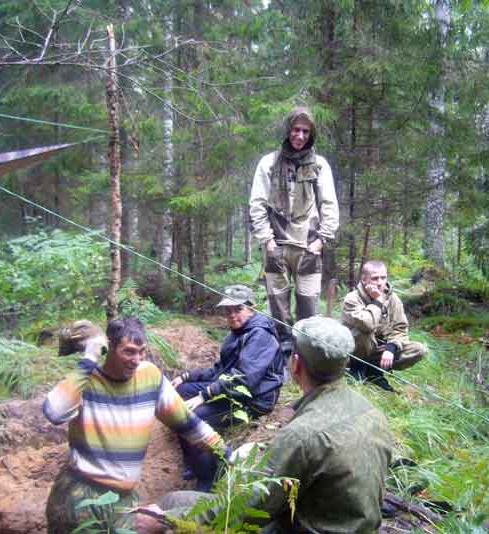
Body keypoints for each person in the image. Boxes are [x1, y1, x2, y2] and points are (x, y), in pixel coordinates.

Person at [146, 316, 393, 533]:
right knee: (177, 500)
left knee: (169, 504)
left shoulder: (301, 435)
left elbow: (245, 512)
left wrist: (167, 521)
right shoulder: (373, 412)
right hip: (351, 523)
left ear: (296, 364)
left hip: (303, 527)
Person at [43, 316, 226, 534]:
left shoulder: (149, 376)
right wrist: (89, 358)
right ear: (109, 348)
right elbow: (55, 412)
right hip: (80, 496)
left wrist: (225, 452)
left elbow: (187, 423)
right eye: (128, 351)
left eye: (142, 351)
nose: (136, 359)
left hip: (123, 497)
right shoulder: (86, 378)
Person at [171, 284, 284, 490]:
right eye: (228, 310)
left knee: (194, 417)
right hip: (233, 390)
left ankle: (207, 477)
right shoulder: (238, 332)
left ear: (252, 308)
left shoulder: (261, 335)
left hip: (255, 399)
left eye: (238, 309)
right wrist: (188, 376)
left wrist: (206, 394)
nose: (232, 315)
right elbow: (219, 370)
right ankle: (194, 461)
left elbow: (244, 378)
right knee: (180, 393)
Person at [249, 106, 339, 356]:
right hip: (275, 244)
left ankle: (307, 354)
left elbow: (330, 205)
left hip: (308, 246)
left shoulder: (320, 165)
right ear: (288, 130)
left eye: (305, 131)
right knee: (277, 305)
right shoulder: (268, 163)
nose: (299, 136)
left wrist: (322, 240)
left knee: (308, 304)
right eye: (295, 130)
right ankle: (282, 355)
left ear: (311, 134)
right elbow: (257, 204)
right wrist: (266, 240)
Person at [341, 260, 427, 391]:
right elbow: (367, 324)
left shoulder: (393, 299)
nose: (380, 282)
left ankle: (374, 373)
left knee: (419, 350)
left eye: (383, 277)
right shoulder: (352, 299)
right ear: (364, 280)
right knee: (365, 333)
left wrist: (391, 348)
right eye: (375, 278)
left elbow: (400, 329)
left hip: (380, 349)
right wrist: (378, 302)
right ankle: (356, 370)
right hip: (353, 352)